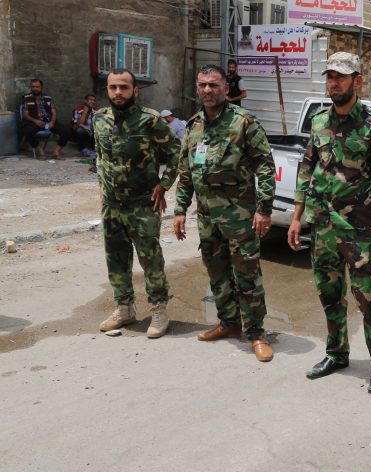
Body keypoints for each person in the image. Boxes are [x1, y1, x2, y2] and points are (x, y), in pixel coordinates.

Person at [287, 52, 371, 394]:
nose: (333, 82)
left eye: (340, 76)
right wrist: (296, 217)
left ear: (356, 81)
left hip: (360, 229)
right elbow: (307, 169)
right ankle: (336, 353)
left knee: (367, 297)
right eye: (330, 76)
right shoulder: (319, 122)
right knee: (329, 293)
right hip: (322, 225)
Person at [173, 64, 276, 362]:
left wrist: (264, 209)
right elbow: (185, 172)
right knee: (217, 274)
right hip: (207, 219)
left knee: (247, 276)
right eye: (203, 84)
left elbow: (265, 167)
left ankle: (256, 332)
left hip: (240, 218)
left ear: (225, 89)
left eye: (213, 85)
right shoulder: (193, 126)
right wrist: (180, 210)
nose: (207, 90)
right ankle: (229, 324)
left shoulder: (244, 122)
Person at [94, 69, 181, 338]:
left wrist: (164, 185)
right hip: (112, 205)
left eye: (123, 87)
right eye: (113, 87)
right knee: (116, 259)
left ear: (135, 91)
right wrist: (102, 186)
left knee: (151, 260)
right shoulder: (99, 120)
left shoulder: (150, 120)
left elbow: (177, 153)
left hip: (143, 204)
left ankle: (158, 310)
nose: (118, 92)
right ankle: (124, 309)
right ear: (107, 90)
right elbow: (100, 155)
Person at [20, 79, 70, 159]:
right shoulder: (26, 98)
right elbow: (25, 114)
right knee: (27, 131)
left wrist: (52, 122)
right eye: (33, 87)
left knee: (66, 131)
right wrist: (35, 121)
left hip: (48, 121)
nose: (35, 88)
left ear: (41, 87)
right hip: (34, 122)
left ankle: (56, 151)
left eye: (37, 87)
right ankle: (39, 150)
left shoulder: (48, 98)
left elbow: (54, 112)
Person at [71, 94, 97, 158]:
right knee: (80, 131)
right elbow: (80, 123)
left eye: (94, 100)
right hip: (82, 129)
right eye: (90, 100)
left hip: (92, 130)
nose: (92, 101)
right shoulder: (78, 109)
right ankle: (82, 149)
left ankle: (94, 149)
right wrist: (85, 112)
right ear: (86, 101)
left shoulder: (96, 110)